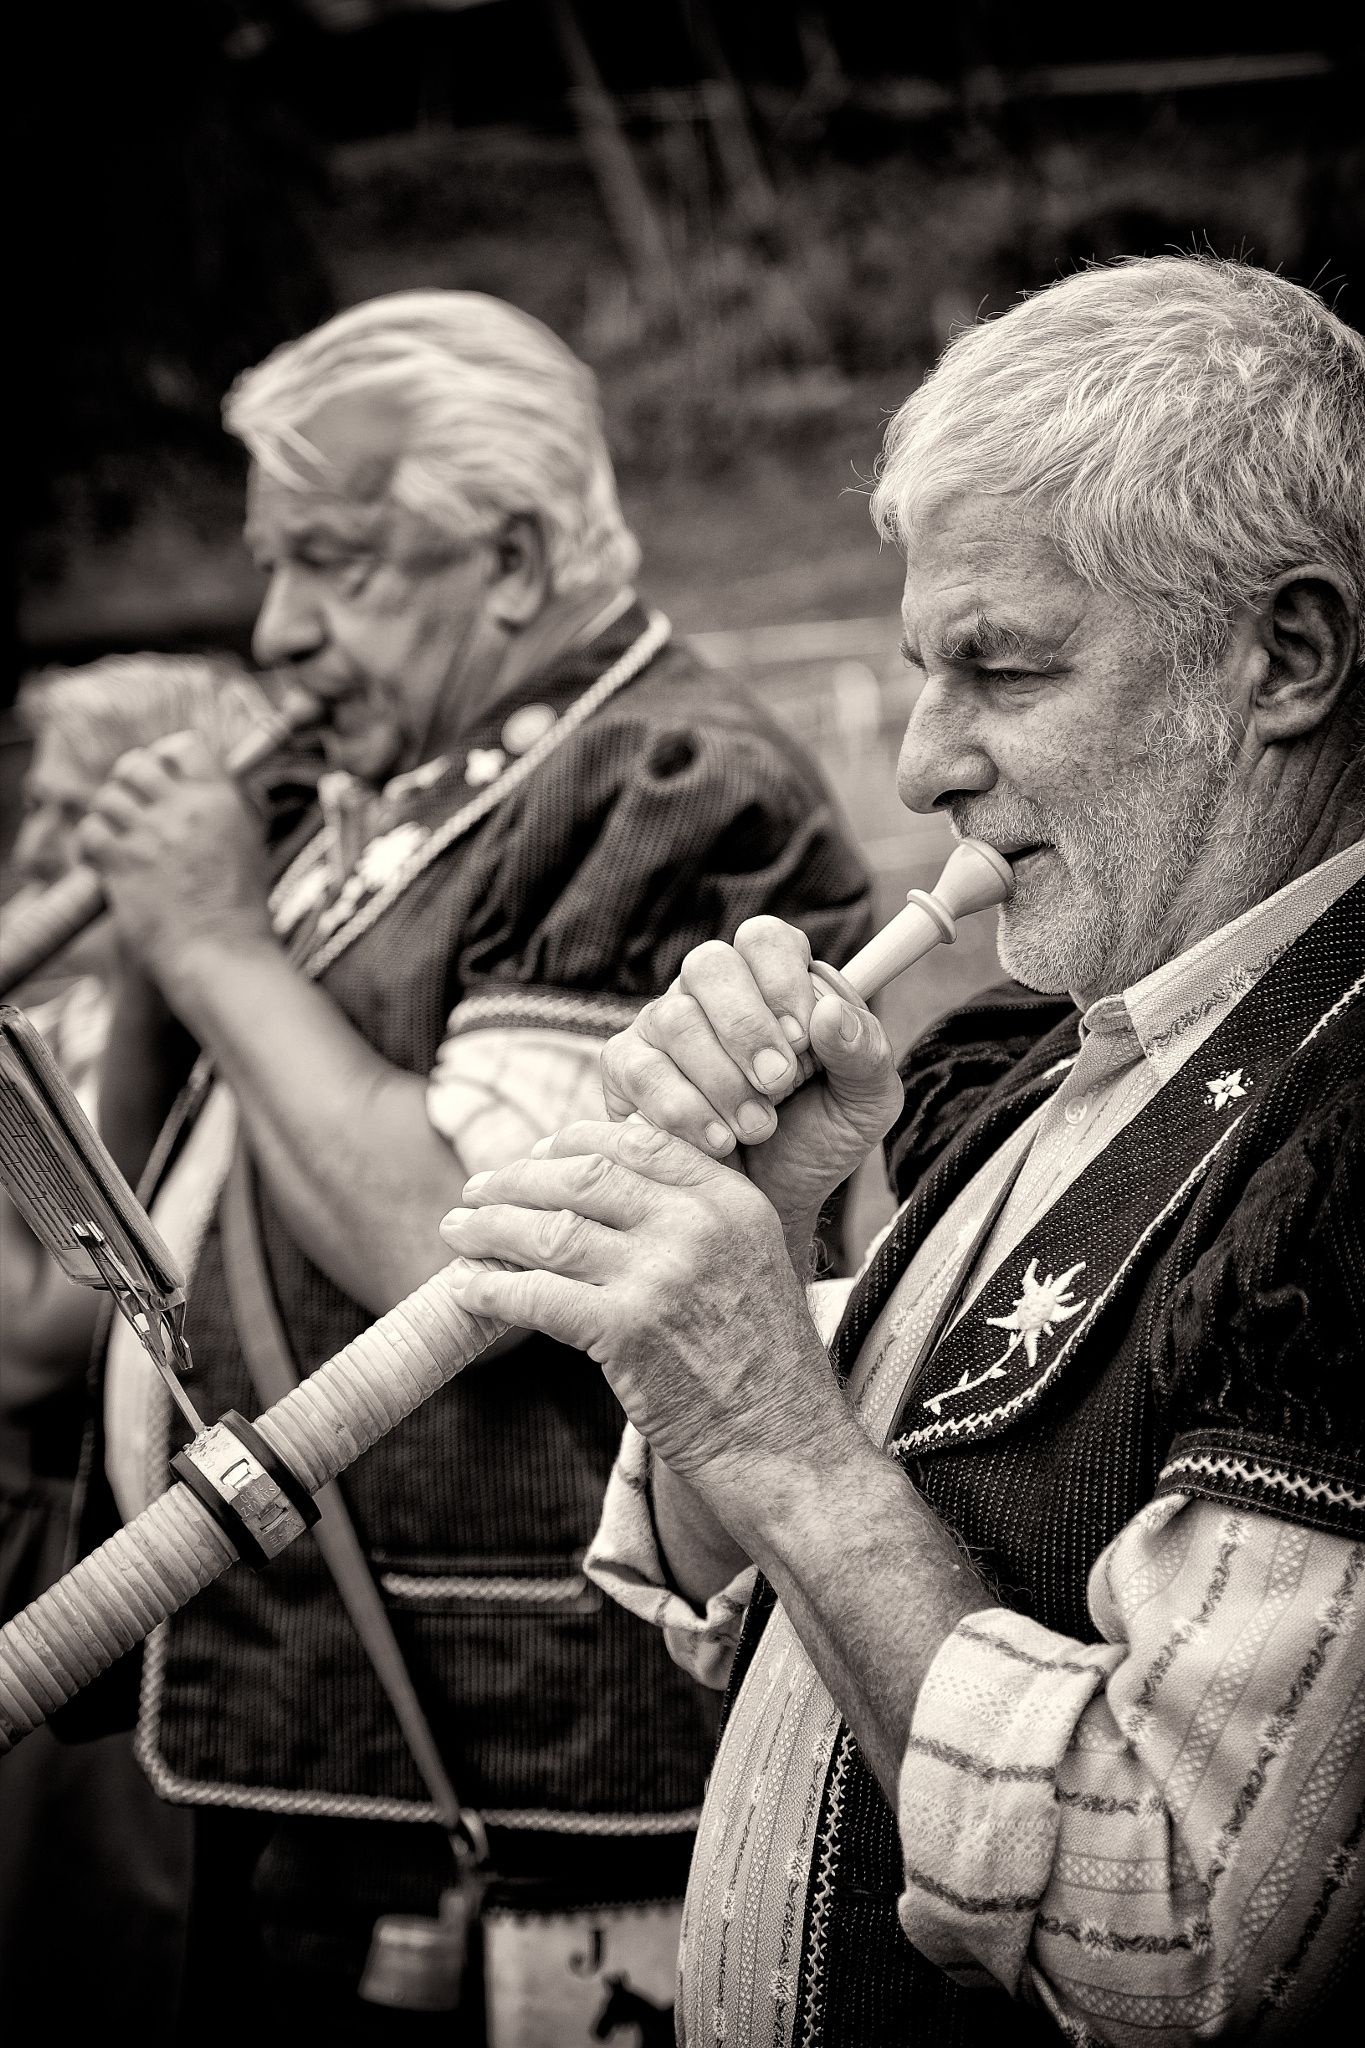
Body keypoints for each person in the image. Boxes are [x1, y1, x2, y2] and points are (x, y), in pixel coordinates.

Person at [433, 256, 1365, 2042]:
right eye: (919, 675)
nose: (926, 762)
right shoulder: (1039, 1064)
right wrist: (762, 1244)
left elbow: (1171, 1923)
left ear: (1288, 657)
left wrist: (772, 1426)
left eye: (1001, 671)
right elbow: (744, 1617)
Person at [67, 291, 871, 2036]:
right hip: (312, 1732)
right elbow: (107, 1257)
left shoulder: (660, 787)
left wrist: (211, 940)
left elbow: (470, 1258)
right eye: (270, 567)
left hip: (515, 1785)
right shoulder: (396, 794)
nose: (276, 630)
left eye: (334, 566)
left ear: (510, 560)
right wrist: (157, 943)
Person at [0, 653, 272, 2034]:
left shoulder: (178, 1021)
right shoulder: (58, 1010)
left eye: (74, 815)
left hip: (97, 1572)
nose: (38, 850)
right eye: (37, 813)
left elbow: (42, 1335)